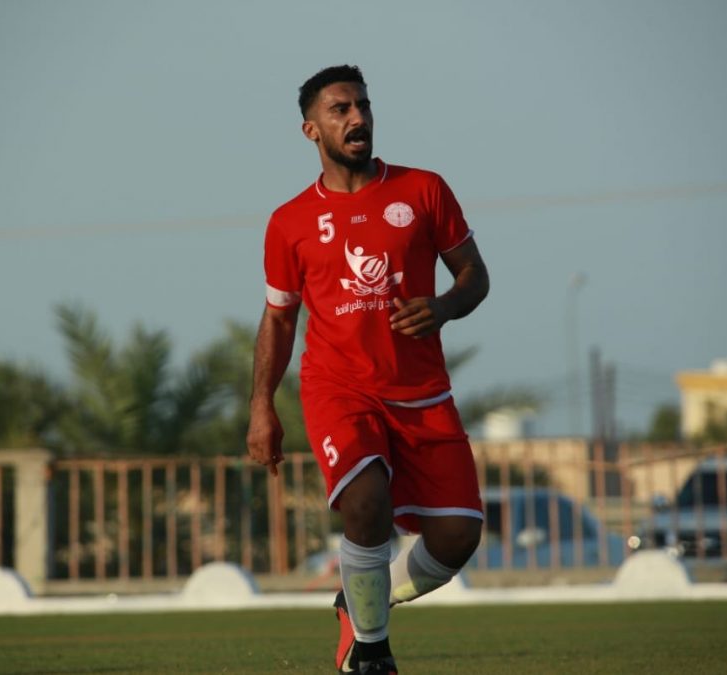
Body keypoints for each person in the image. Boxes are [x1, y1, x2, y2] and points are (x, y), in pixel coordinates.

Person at [247, 65, 489, 675]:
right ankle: (372, 652)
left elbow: (474, 276)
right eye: (340, 109)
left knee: (459, 536)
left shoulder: (424, 189)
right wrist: (261, 406)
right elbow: (278, 319)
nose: (357, 117)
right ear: (311, 130)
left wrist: (443, 307)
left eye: (363, 105)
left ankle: (356, 604)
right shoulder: (289, 221)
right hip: (340, 388)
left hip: (422, 392)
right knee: (365, 501)